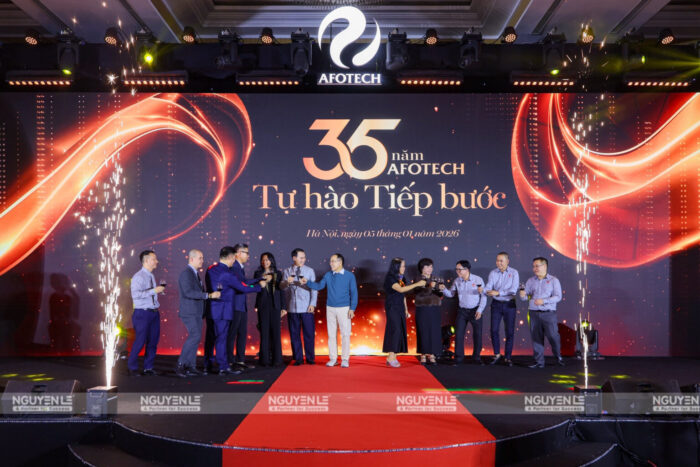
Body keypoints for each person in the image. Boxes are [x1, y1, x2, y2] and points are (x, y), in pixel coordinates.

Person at [206, 246, 266, 375]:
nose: (234, 261)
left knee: (211, 339)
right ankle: (223, 367)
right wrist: (259, 287)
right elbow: (243, 287)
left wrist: (257, 280)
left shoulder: (210, 269)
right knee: (221, 339)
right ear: (231, 257)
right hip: (223, 311)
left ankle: (208, 365)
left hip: (211, 309)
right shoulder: (228, 274)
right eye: (234, 258)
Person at [301, 253, 357, 368]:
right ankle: (333, 359)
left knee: (345, 334)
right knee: (331, 334)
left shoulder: (349, 276)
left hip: (344, 308)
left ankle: (345, 359)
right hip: (330, 308)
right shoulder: (328, 275)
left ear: (340, 262)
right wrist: (308, 282)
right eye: (330, 261)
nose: (330, 263)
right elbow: (319, 286)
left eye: (333, 261)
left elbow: (354, 293)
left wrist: (352, 308)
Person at [176, 249, 220, 378]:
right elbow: (188, 292)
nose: (202, 260)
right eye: (200, 258)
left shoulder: (194, 273)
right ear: (191, 259)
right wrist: (208, 295)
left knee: (196, 338)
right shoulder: (186, 273)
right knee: (195, 336)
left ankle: (191, 366)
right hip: (189, 312)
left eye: (202, 258)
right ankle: (180, 364)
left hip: (197, 312)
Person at [519, 257, 564, 368]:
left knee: (553, 336)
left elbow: (558, 297)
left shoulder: (553, 280)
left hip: (548, 313)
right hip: (533, 313)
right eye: (533, 266)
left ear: (544, 266)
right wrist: (522, 295)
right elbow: (525, 298)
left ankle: (558, 357)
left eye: (537, 266)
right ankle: (539, 362)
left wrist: (544, 301)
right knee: (536, 338)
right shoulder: (530, 281)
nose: (534, 268)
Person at [440, 260, 486, 365]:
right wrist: (444, 289)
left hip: (475, 310)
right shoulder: (457, 281)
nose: (458, 271)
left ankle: (476, 358)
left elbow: (483, 296)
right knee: (459, 334)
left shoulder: (478, 279)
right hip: (462, 311)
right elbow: (451, 294)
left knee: (477, 334)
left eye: (460, 269)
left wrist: (480, 310)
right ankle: (459, 358)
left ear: (467, 269)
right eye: (456, 269)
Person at [127, 250, 166, 376]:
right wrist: (154, 291)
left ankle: (148, 367)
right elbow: (135, 295)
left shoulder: (150, 276)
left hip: (153, 312)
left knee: (153, 341)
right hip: (142, 313)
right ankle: (132, 368)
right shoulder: (138, 277)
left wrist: (156, 291)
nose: (156, 261)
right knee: (140, 341)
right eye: (154, 259)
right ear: (146, 260)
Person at [382, 258, 426, 367]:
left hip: (400, 307)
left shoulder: (401, 278)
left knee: (400, 330)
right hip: (392, 307)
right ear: (396, 267)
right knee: (395, 329)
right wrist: (417, 284)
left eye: (404, 266)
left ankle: (392, 357)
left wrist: (406, 309)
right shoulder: (390, 278)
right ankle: (391, 357)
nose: (404, 268)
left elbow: (403, 295)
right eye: (402, 266)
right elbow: (401, 289)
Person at [228, 243, 264, 369]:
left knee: (242, 333)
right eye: (246, 253)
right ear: (238, 253)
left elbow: (244, 282)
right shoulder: (234, 267)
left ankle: (240, 360)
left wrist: (258, 280)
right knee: (232, 334)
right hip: (235, 306)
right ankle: (230, 361)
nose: (248, 256)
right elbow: (242, 284)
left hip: (241, 306)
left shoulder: (239, 267)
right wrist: (258, 284)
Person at [282, 248, 317, 365]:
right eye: (301, 257)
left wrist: (312, 304)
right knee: (294, 334)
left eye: (304, 257)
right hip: (292, 307)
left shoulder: (310, 271)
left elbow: (314, 289)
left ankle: (310, 358)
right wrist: (287, 282)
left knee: (309, 333)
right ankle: (298, 358)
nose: (303, 259)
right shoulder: (287, 271)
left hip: (306, 307)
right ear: (294, 258)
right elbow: (282, 289)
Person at [485, 252, 520, 367]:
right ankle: (497, 354)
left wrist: (498, 292)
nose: (498, 263)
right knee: (494, 330)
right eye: (497, 260)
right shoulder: (493, 273)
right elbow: (489, 286)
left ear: (507, 261)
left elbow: (513, 290)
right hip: (496, 304)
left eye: (501, 261)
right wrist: (484, 290)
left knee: (509, 332)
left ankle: (508, 357)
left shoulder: (514, 273)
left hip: (509, 304)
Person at [254, 252, 286, 367]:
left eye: (267, 259)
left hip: (275, 305)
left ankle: (277, 360)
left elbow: (281, 291)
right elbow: (257, 289)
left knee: (276, 333)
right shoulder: (258, 273)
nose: (265, 262)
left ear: (271, 260)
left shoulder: (278, 274)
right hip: (263, 306)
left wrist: (283, 307)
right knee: (264, 332)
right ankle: (264, 360)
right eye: (263, 260)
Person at [414, 258, 442, 365]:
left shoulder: (435, 278)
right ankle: (423, 354)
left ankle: (432, 354)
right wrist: (430, 287)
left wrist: (440, 289)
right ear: (422, 268)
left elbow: (439, 295)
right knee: (423, 330)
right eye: (427, 266)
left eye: (431, 266)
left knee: (434, 331)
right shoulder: (418, 279)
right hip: (423, 308)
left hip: (435, 309)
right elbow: (420, 293)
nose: (430, 269)